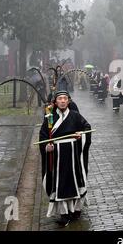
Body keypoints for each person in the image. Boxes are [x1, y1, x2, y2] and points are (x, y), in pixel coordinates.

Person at [39, 90, 92, 227]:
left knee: (76, 182)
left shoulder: (75, 116)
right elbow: (43, 137)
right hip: (58, 158)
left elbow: (87, 128)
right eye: (60, 99)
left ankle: (76, 210)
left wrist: (81, 134)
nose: (62, 101)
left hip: (74, 156)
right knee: (60, 184)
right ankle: (64, 214)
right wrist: (46, 146)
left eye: (65, 98)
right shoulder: (49, 118)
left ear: (69, 101)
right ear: (55, 102)